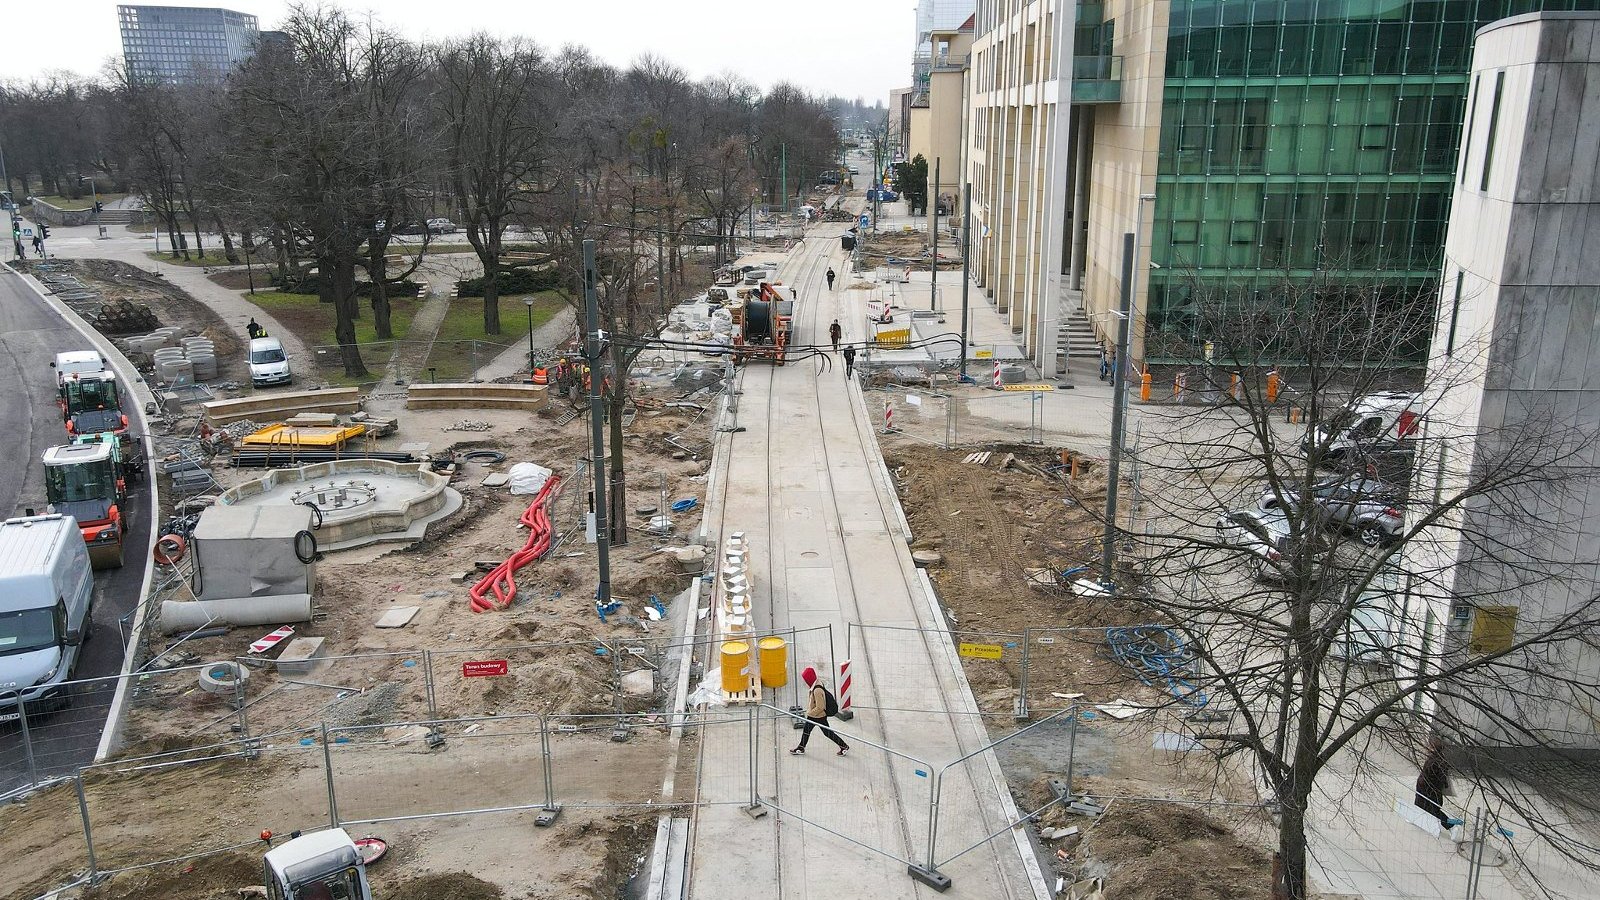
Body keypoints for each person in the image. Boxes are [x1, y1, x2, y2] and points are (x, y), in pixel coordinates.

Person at [791, 667, 848, 755]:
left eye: (806, 679)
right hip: (817, 715)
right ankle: (801, 747)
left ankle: (843, 746)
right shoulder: (818, 683)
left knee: (824, 732)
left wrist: (810, 713)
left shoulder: (817, 690)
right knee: (815, 731)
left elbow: (820, 707)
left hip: (817, 715)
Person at [1414, 737, 1452, 827]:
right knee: (1424, 806)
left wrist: (1423, 783)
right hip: (1427, 789)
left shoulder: (1435, 761)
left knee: (1433, 810)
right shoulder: (1436, 759)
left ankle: (1451, 825)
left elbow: (1437, 777)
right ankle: (1417, 819)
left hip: (1429, 790)